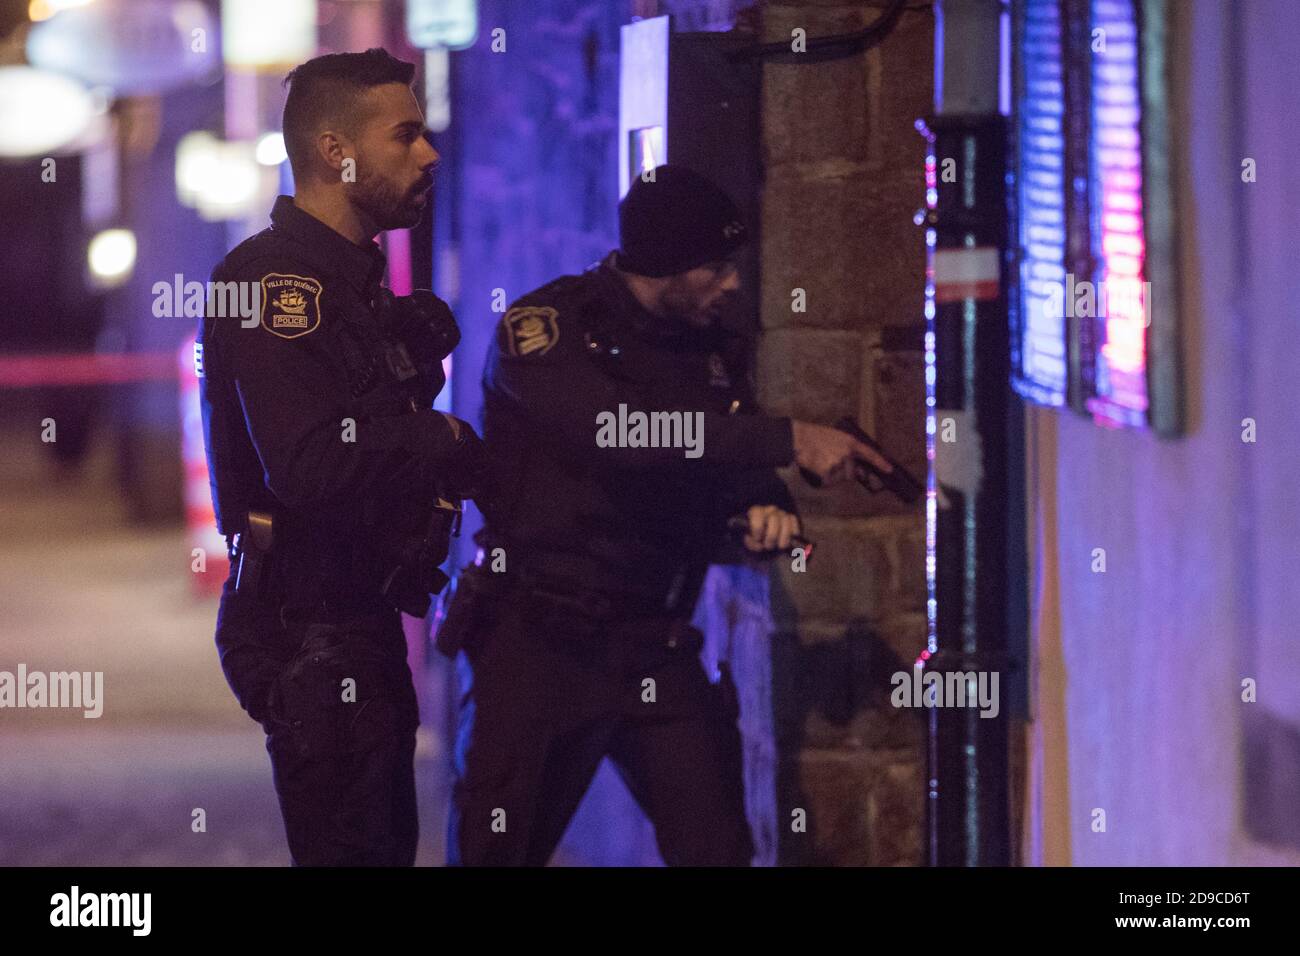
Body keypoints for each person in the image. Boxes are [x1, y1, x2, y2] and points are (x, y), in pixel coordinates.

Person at [440, 164, 893, 866]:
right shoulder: (549, 333)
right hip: (538, 640)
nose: (732, 284)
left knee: (715, 846)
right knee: (496, 850)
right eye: (715, 267)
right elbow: (620, 432)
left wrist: (763, 504)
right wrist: (789, 437)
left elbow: (725, 458)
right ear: (663, 267)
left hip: (653, 638)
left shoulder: (707, 348)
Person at [198, 48, 486, 866]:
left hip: (358, 622)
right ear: (337, 151)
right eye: (406, 137)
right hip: (315, 636)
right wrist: (440, 439)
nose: (428, 154)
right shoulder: (275, 284)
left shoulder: (351, 283)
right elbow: (310, 464)